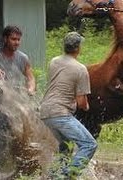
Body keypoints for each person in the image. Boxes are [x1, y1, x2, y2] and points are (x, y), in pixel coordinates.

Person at [39, 32, 97, 179]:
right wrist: (87, 107)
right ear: (78, 48)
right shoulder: (80, 69)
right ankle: (68, 176)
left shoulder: (54, 61)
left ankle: (53, 176)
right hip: (60, 114)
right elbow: (81, 102)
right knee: (89, 144)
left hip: (45, 111)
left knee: (65, 147)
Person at [0, 25, 36, 95]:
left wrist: (30, 89)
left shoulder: (23, 58)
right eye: (13, 39)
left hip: (15, 100)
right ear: (5, 39)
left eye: (18, 40)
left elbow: (30, 78)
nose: (17, 43)